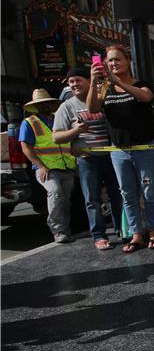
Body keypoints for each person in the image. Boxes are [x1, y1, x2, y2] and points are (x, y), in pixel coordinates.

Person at [87, 44, 154, 253]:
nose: (113, 63)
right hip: (119, 151)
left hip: (146, 148)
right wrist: (94, 82)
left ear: (128, 61)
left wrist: (119, 82)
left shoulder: (141, 83)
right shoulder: (104, 89)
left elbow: (145, 97)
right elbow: (92, 108)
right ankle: (136, 234)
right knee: (127, 193)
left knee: (149, 192)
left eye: (117, 59)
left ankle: (153, 230)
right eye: (109, 60)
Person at [52, 67, 123, 250]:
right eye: (71, 82)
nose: (74, 84)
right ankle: (98, 235)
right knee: (92, 199)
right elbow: (56, 137)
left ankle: (122, 231)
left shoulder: (103, 98)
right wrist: (76, 131)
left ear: (88, 80)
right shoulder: (66, 107)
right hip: (87, 160)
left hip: (111, 157)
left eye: (78, 80)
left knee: (117, 195)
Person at [19, 88, 75, 243]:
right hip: (47, 169)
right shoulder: (29, 123)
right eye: (41, 104)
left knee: (65, 200)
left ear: (51, 104)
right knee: (55, 194)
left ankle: (65, 229)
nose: (45, 106)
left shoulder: (59, 118)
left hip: (66, 166)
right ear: (36, 107)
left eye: (47, 103)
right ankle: (58, 230)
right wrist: (40, 166)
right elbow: (26, 147)